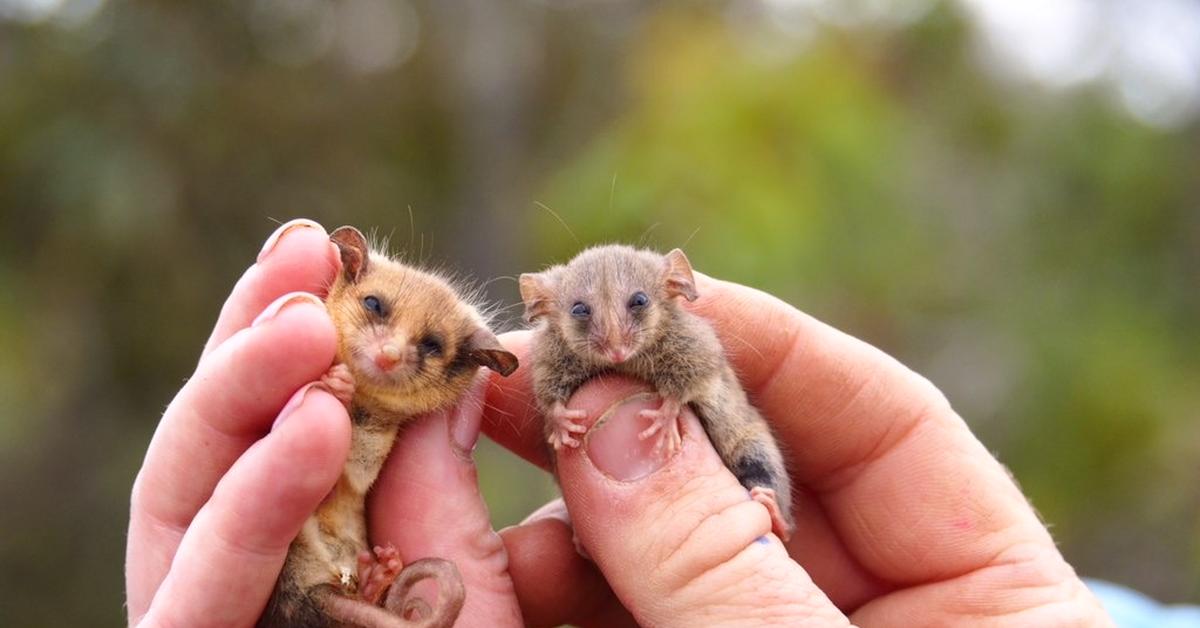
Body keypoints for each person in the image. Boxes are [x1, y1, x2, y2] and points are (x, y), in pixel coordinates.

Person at [125, 219, 1112, 627]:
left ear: (674, 294)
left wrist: (720, 492)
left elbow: (713, 391)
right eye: (583, 319)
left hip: (741, 499)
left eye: (636, 313)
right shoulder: (509, 362)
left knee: (738, 428)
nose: (608, 343)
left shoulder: (683, 344)